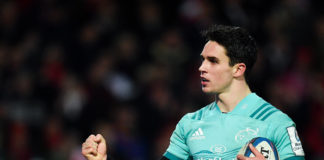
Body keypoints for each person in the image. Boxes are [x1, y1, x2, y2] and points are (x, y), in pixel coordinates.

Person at [81, 25, 305, 160]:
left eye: (213, 61)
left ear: (238, 69)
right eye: (202, 60)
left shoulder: (277, 123)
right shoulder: (190, 123)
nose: (202, 67)